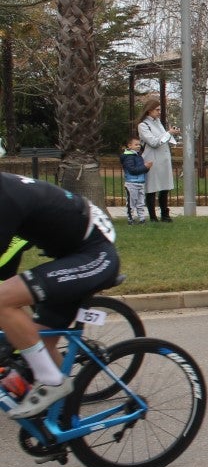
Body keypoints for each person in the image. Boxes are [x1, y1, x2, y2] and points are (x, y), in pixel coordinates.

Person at [0, 173, 120, 418]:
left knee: (2, 299)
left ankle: (53, 382)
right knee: (37, 345)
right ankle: (59, 423)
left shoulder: (5, 198)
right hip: (68, 253)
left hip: (94, 253)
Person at [136, 96, 178, 223]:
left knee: (165, 187)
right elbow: (154, 142)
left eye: (160, 110)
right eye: (157, 110)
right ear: (149, 110)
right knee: (152, 188)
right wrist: (168, 133)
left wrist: (171, 134)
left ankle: (165, 214)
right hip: (152, 159)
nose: (159, 112)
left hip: (163, 158)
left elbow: (163, 138)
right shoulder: (143, 125)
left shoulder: (158, 122)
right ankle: (153, 216)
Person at [120, 134, 153, 224]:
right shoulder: (128, 157)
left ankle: (142, 218)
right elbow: (132, 170)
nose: (138, 146)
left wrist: (147, 168)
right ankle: (130, 219)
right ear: (129, 146)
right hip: (132, 183)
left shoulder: (138, 156)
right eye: (136, 144)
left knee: (141, 202)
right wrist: (145, 167)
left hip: (140, 182)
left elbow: (141, 170)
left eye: (139, 144)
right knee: (131, 202)